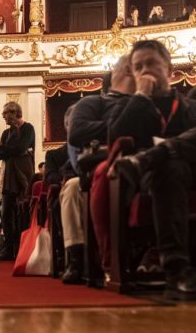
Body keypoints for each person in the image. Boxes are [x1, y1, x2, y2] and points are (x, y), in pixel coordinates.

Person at [107, 41, 196, 300]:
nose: (145, 71)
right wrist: (139, 97)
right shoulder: (128, 105)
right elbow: (115, 139)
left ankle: (155, 155)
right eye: (138, 67)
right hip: (161, 176)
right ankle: (178, 271)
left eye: (151, 64)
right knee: (170, 165)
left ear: (169, 69)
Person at [59, 56, 135, 284]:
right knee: (71, 190)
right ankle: (77, 258)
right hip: (92, 169)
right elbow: (77, 135)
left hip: (135, 162)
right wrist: (124, 126)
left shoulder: (145, 103)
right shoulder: (93, 104)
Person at [0, 101, 35, 260]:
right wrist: (7, 150)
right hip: (8, 175)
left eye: (5, 114)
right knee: (6, 213)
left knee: (23, 211)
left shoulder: (28, 128)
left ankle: (23, 247)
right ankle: (9, 248)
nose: (4, 117)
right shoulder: (5, 133)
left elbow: (20, 147)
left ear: (14, 113)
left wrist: (5, 149)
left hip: (23, 174)